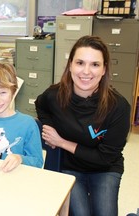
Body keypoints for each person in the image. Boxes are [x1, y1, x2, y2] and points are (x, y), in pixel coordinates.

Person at [35, 35, 130, 216]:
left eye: (95, 64)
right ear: (70, 65)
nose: (86, 71)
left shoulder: (118, 106)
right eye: (80, 63)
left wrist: (61, 142)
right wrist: (49, 127)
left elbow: (105, 158)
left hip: (105, 169)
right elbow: (41, 106)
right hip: (70, 167)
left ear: (104, 70)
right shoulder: (54, 95)